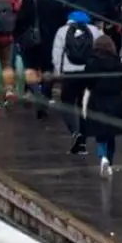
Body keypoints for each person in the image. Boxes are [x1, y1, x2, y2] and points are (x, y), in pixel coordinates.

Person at [52, 10, 104, 154]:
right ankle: (82, 139)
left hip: (69, 73)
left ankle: (75, 131)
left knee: (66, 103)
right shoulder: (94, 31)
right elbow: (100, 52)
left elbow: (57, 53)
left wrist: (58, 71)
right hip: (88, 72)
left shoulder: (62, 31)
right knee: (84, 105)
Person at [82, 36, 122, 178]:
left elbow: (88, 83)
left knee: (100, 134)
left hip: (97, 101)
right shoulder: (118, 63)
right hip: (115, 101)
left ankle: (102, 157)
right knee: (111, 135)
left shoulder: (91, 62)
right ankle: (110, 162)